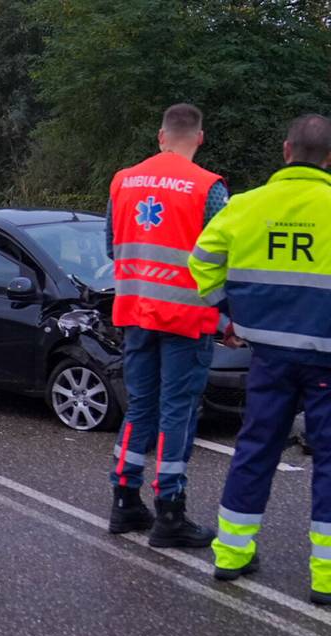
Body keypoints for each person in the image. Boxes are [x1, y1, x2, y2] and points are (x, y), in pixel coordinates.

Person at [188, 114, 331, 604]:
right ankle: (326, 579)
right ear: (329, 158)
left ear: (286, 150)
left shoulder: (244, 206)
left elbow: (202, 263)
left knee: (254, 450)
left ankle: (231, 554)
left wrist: (230, 315)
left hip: (266, 354)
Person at [104, 103, 229, 547]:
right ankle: (170, 512)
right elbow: (222, 258)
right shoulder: (208, 187)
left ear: (160, 137)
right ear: (200, 138)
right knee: (177, 411)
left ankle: (124, 501)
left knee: (140, 407)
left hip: (135, 313)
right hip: (185, 317)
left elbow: (111, 246)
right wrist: (230, 316)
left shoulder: (123, 181)